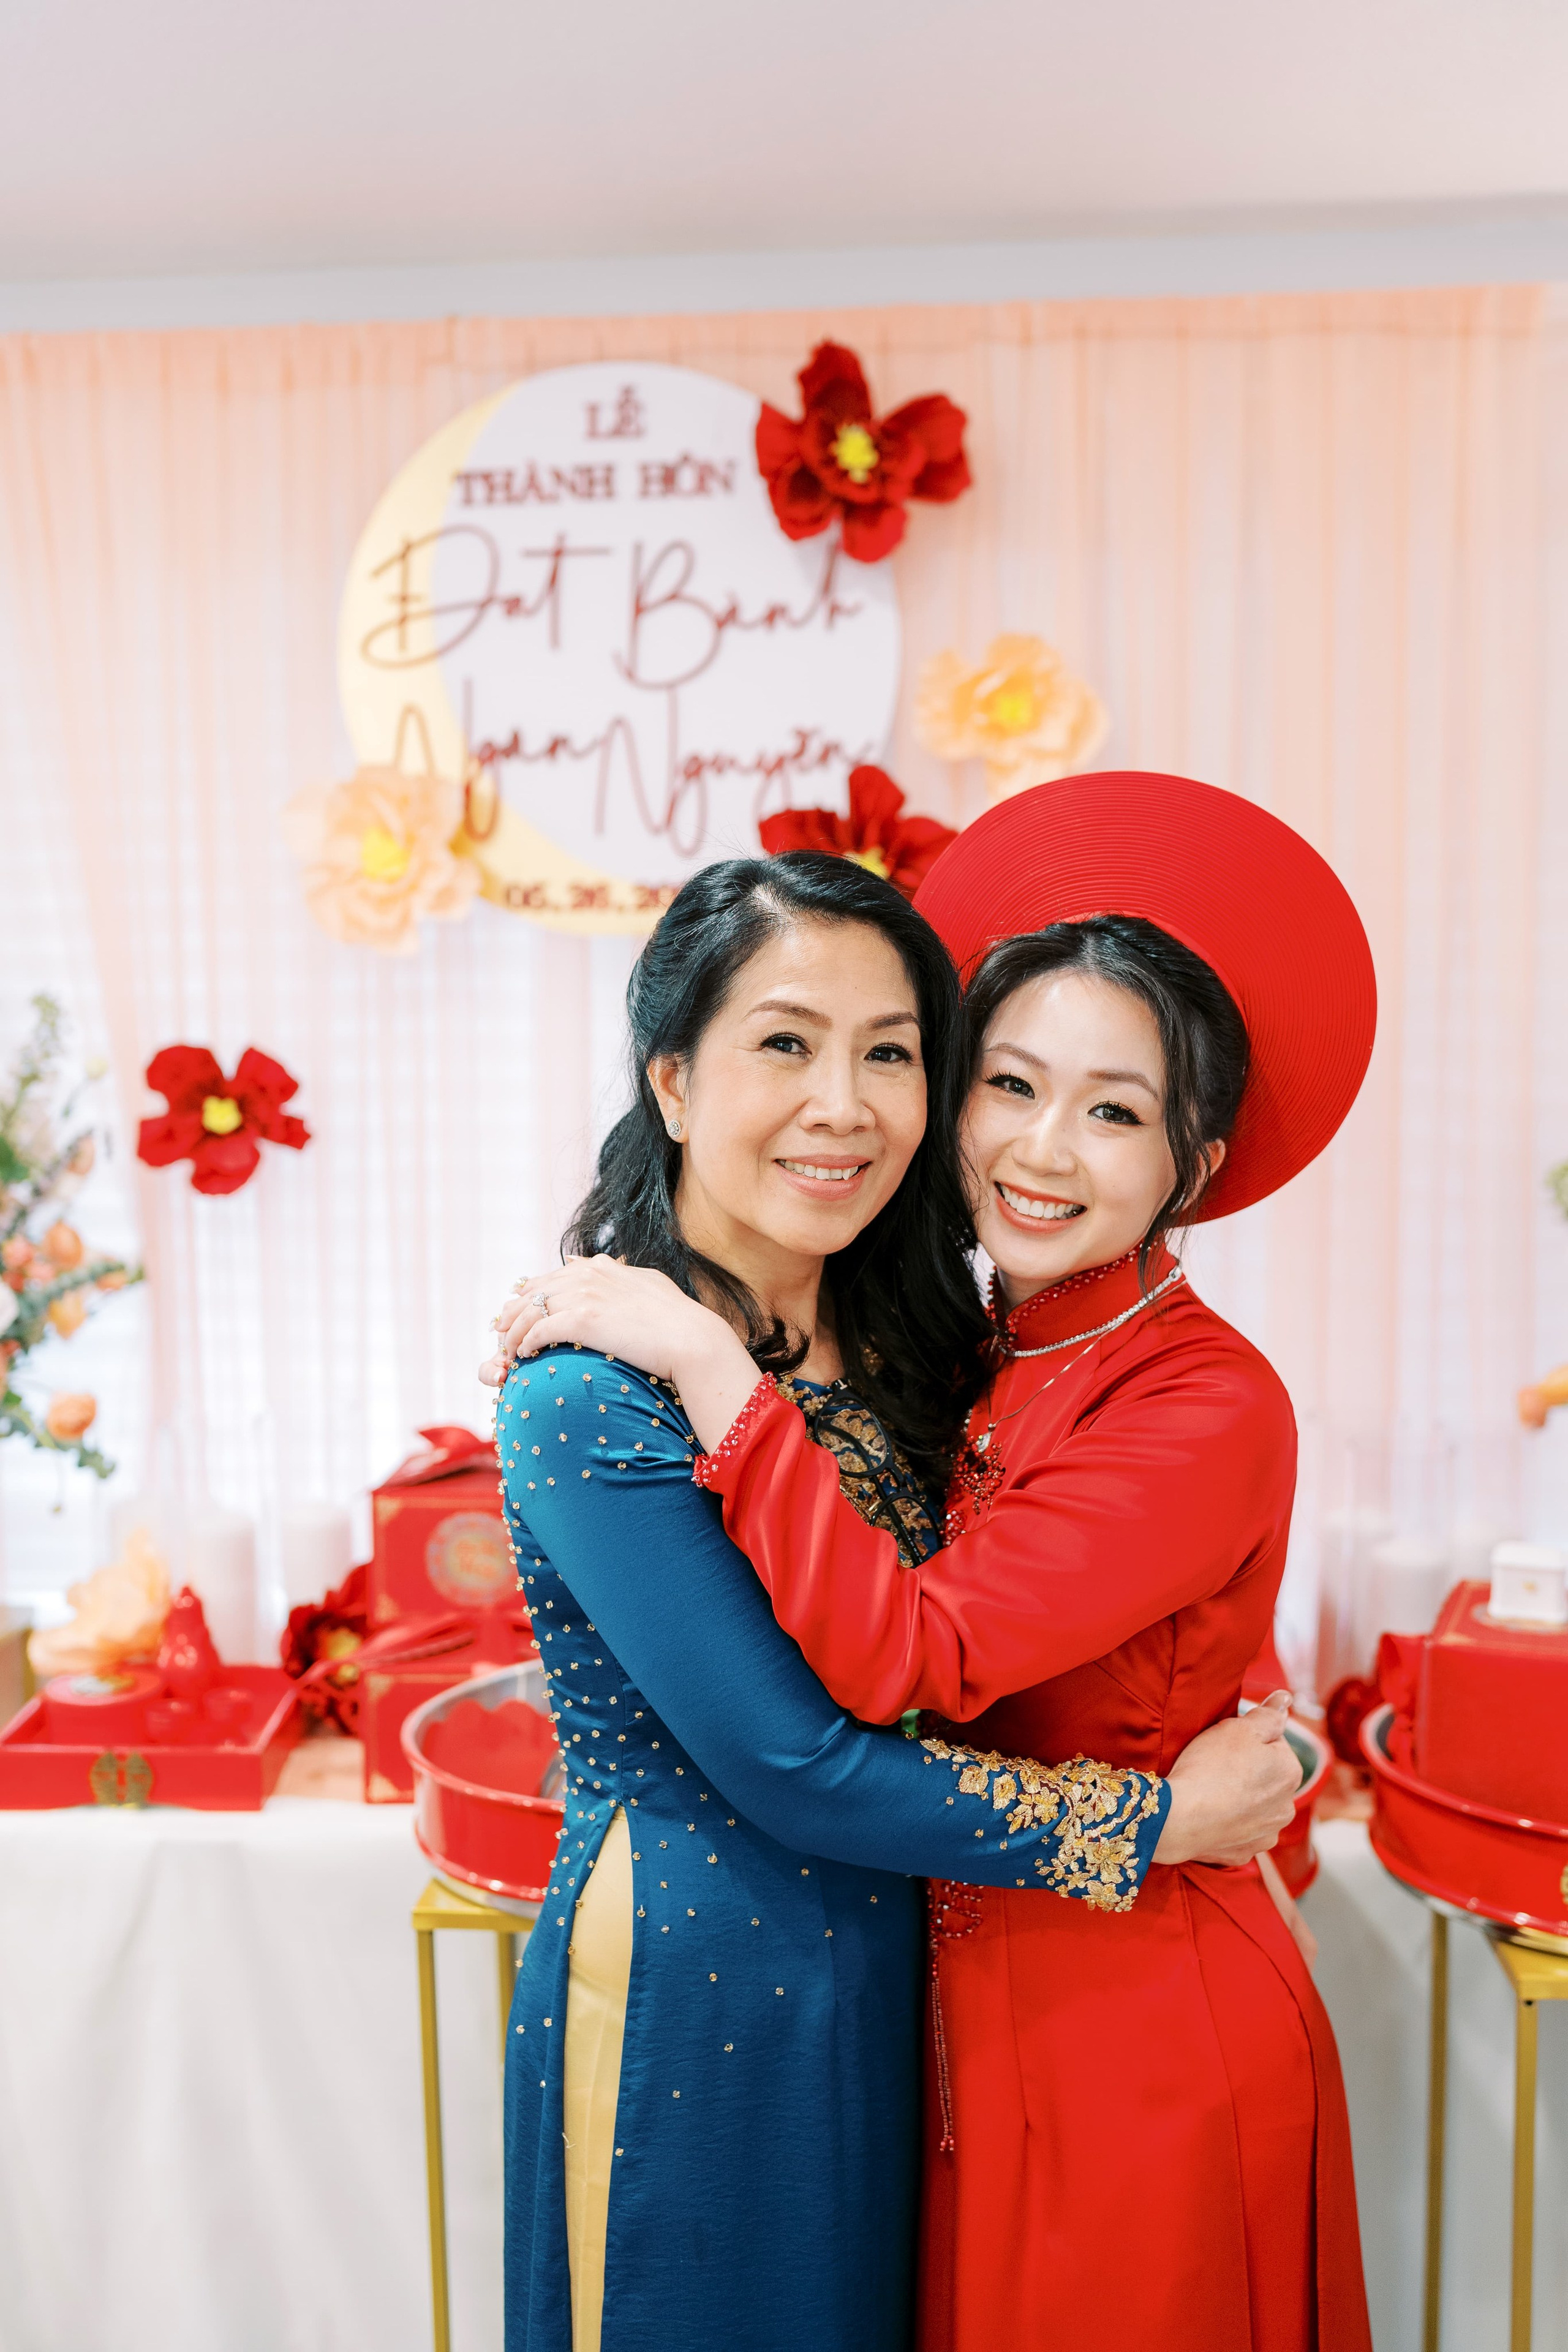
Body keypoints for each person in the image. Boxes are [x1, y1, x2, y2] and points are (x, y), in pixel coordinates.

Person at [498, 772, 1376, 2352]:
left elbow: (1019, 1620)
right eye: (785, 1044)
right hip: (711, 1989)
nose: (844, 1103)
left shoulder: (913, 1346)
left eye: (890, 1054)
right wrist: (1160, 1816)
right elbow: (796, 1761)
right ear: (673, 1081)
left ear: (1194, 1155)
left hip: (964, 1977)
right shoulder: (594, 1390)